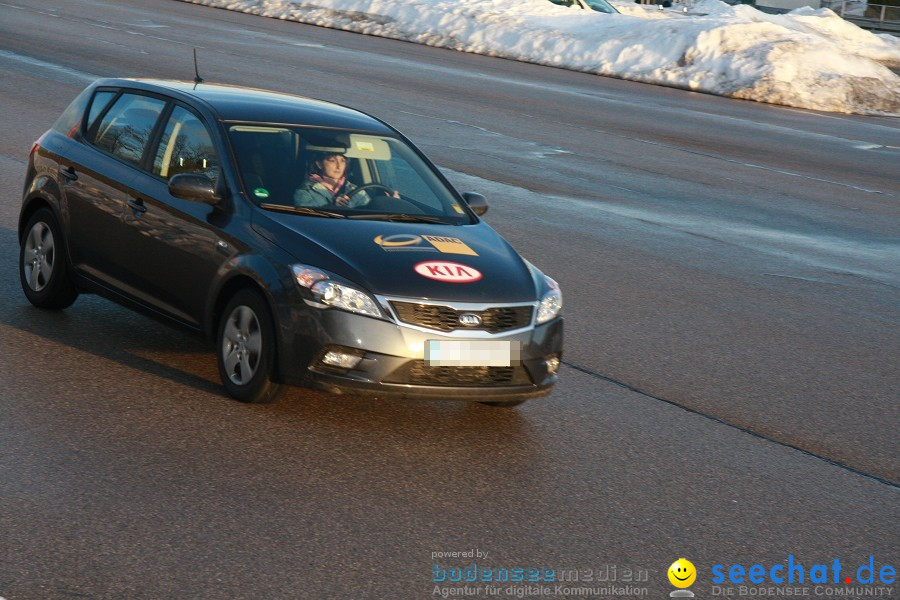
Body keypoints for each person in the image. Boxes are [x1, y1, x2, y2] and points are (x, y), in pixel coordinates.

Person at [293, 152, 370, 208]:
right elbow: (305, 219)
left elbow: (370, 211)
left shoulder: (356, 190)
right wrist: (332, 207)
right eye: (332, 160)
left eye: (342, 160)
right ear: (319, 164)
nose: (338, 166)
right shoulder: (305, 191)